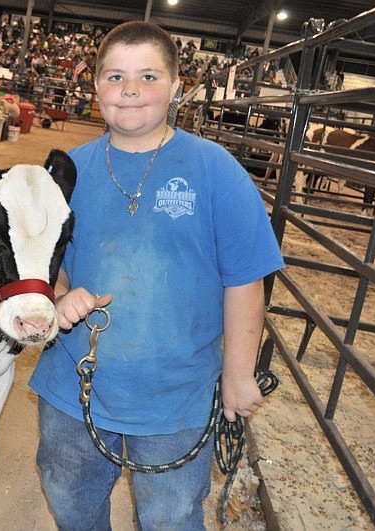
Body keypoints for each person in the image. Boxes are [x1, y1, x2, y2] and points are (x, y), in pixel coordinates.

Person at [29, 20, 285, 529]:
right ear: (95, 85)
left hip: (177, 395)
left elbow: (245, 280)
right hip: (75, 384)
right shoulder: (63, 172)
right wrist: (58, 295)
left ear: (177, 86)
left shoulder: (216, 171)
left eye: (148, 76)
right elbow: (37, 266)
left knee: (169, 515)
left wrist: (237, 373)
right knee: (68, 495)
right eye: (114, 76)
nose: (129, 90)